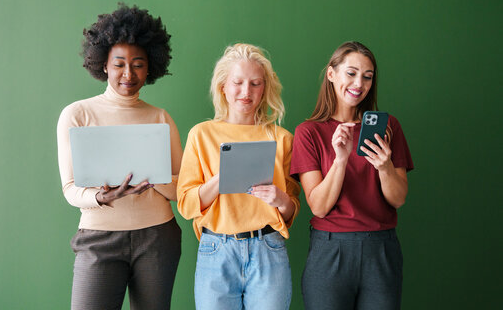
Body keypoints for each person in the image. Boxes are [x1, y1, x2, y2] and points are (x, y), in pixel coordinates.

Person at [56, 4, 182, 310]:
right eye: (119, 64)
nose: (129, 74)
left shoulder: (159, 117)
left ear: (150, 66)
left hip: (157, 237)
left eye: (138, 64)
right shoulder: (78, 114)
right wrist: (103, 196)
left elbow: (181, 189)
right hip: (99, 238)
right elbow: (71, 189)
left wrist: (154, 181)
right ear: (104, 66)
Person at [290, 41, 414, 310]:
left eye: (368, 77)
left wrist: (384, 167)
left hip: (381, 249)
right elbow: (319, 207)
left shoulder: (389, 126)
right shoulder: (308, 132)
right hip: (330, 251)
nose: (359, 83)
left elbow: (398, 199)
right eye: (351, 73)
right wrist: (341, 159)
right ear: (332, 74)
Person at [177, 43, 300, 310]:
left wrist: (280, 199)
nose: (247, 92)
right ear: (223, 86)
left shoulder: (282, 139)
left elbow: (291, 212)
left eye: (256, 84)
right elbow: (186, 205)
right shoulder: (201, 134)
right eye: (238, 82)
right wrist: (220, 180)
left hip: (268, 248)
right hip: (216, 248)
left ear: (265, 88)